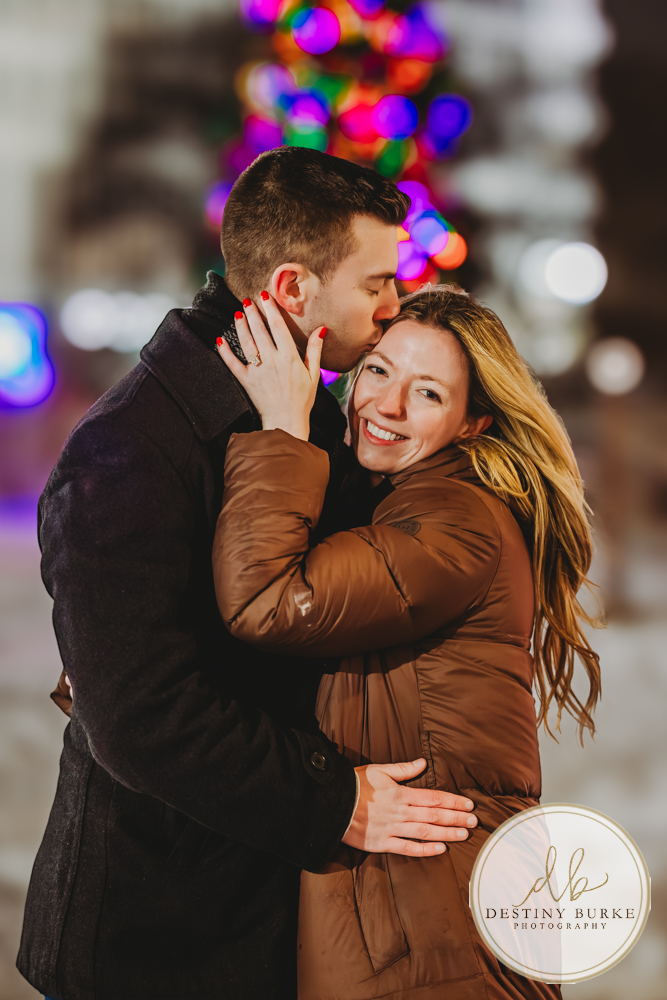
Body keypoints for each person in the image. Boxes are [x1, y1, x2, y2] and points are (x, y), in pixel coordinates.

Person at [17, 149, 478, 1000]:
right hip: (156, 938)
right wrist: (334, 803)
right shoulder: (128, 451)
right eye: (376, 282)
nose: (393, 306)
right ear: (294, 291)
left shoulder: (305, 409)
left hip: (265, 913)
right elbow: (139, 716)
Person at [213, 284, 602, 999]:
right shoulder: (406, 501)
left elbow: (272, 602)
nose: (385, 406)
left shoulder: (454, 520)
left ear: (471, 421)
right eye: (379, 371)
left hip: (429, 920)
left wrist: (280, 430)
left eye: (426, 393)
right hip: (416, 907)